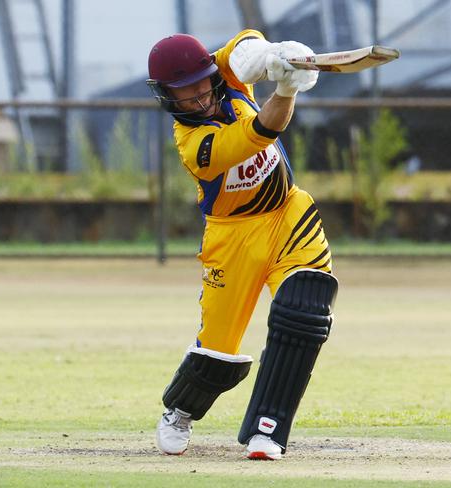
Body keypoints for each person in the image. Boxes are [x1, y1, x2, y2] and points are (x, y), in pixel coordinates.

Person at [146, 29, 338, 460]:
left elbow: (244, 45)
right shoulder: (193, 145)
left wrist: (272, 55)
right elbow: (264, 128)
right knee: (216, 352)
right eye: (184, 91)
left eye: (200, 83)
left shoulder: (224, 75)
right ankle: (180, 409)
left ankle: (268, 430)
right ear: (167, 97)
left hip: (287, 213)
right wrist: (286, 88)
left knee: (304, 311)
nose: (198, 96)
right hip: (232, 238)